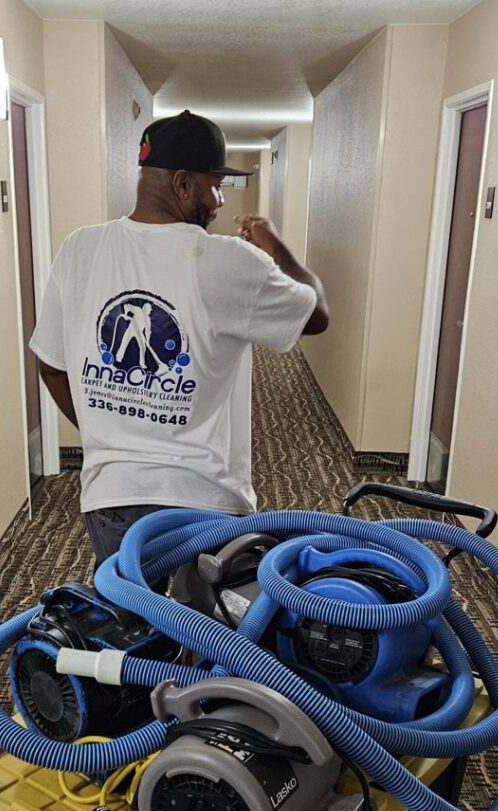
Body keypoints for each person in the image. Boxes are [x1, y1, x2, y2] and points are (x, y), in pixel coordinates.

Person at [29, 109, 329, 566]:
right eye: (216, 186)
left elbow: (50, 366)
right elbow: (316, 312)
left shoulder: (79, 248)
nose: (221, 202)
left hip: (110, 496)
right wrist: (273, 245)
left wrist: (108, 436)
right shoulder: (226, 259)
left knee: (133, 624)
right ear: (183, 184)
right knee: (209, 633)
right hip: (203, 499)